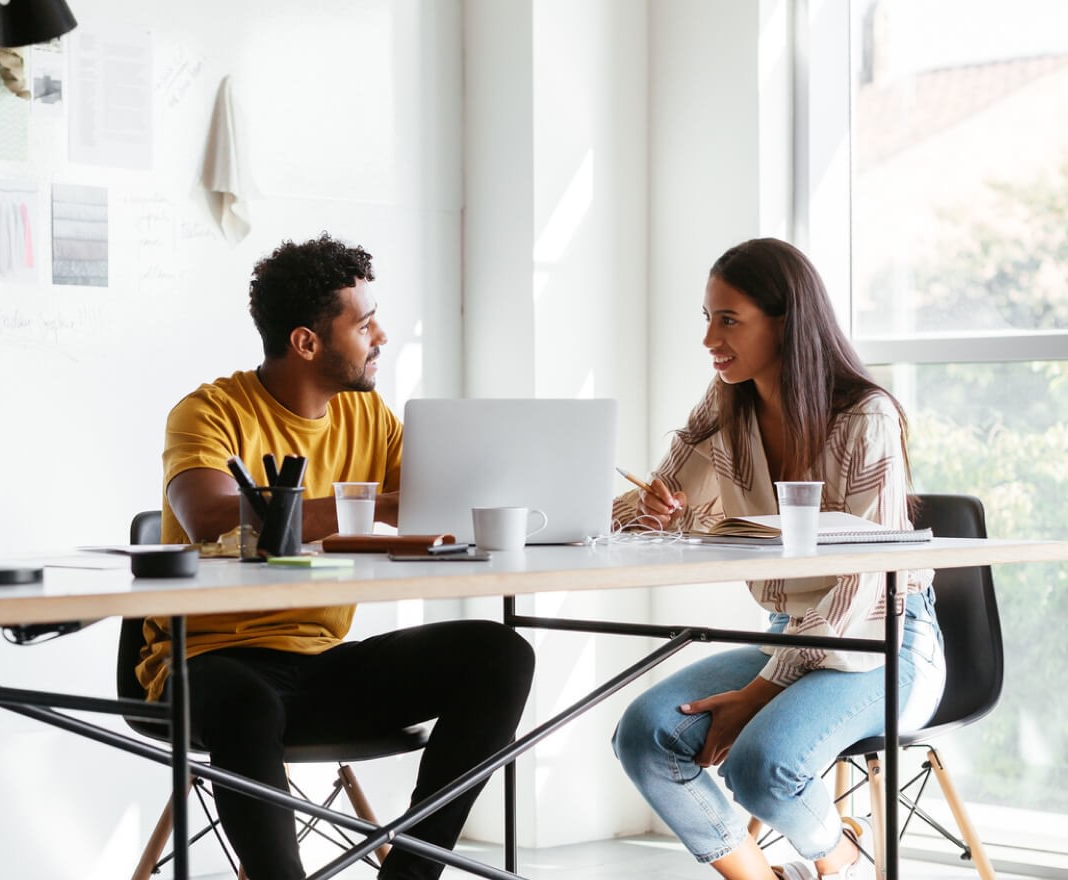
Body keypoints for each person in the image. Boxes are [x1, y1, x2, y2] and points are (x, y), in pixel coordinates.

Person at [138, 233, 535, 880]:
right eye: (366, 324)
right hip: (208, 664)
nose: (382, 338)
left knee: (501, 654)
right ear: (306, 342)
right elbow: (208, 515)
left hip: (321, 667)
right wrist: (373, 502)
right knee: (244, 702)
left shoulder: (369, 417)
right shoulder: (209, 411)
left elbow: (437, 500)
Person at [610, 238, 947, 880]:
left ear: (786, 320)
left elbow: (864, 578)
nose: (710, 337)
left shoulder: (864, 416)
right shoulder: (724, 404)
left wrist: (762, 690)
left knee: (762, 768)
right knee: (645, 733)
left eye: (728, 319)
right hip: (788, 636)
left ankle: (839, 854)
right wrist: (643, 510)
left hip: (889, 642)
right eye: (707, 318)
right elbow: (663, 500)